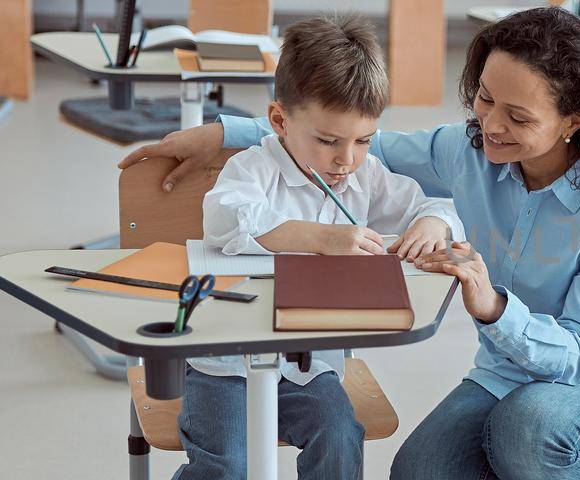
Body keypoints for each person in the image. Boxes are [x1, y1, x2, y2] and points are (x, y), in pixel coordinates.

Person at [120, 8, 580, 480]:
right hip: (508, 378)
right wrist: (223, 131)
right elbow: (358, 143)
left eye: (517, 115)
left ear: (575, 120)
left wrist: (490, 305)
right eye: (485, 99)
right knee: (418, 472)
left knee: (528, 428)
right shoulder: (471, 151)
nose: (489, 125)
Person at [183, 16, 459, 479]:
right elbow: (226, 220)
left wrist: (432, 222)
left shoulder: (363, 177)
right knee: (227, 467)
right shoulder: (252, 170)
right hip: (224, 366)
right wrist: (322, 238)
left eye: (363, 141)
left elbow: (431, 204)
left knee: (339, 438)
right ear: (278, 121)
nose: (345, 159)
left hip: (309, 368)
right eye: (328, 141)